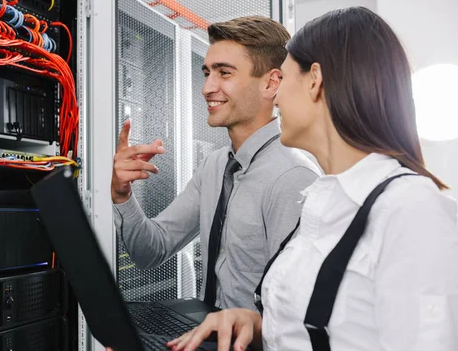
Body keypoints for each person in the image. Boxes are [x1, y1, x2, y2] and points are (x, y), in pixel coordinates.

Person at [108, 7, 458, 351]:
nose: (278, 96)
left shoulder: (407, 210)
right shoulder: (326, 198)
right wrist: (256, 328)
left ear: (313, 80)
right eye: (207, 72)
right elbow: (322, 343)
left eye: (287, 76)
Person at [111, 16, 320, 310]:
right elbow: (151, 251)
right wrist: (122, 195)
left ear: (271, 83)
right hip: (210, 347)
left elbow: (295, 315)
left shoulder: (294, 177)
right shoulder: (215, 166)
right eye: (207, 72)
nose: (207, 87)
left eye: (224, 73)